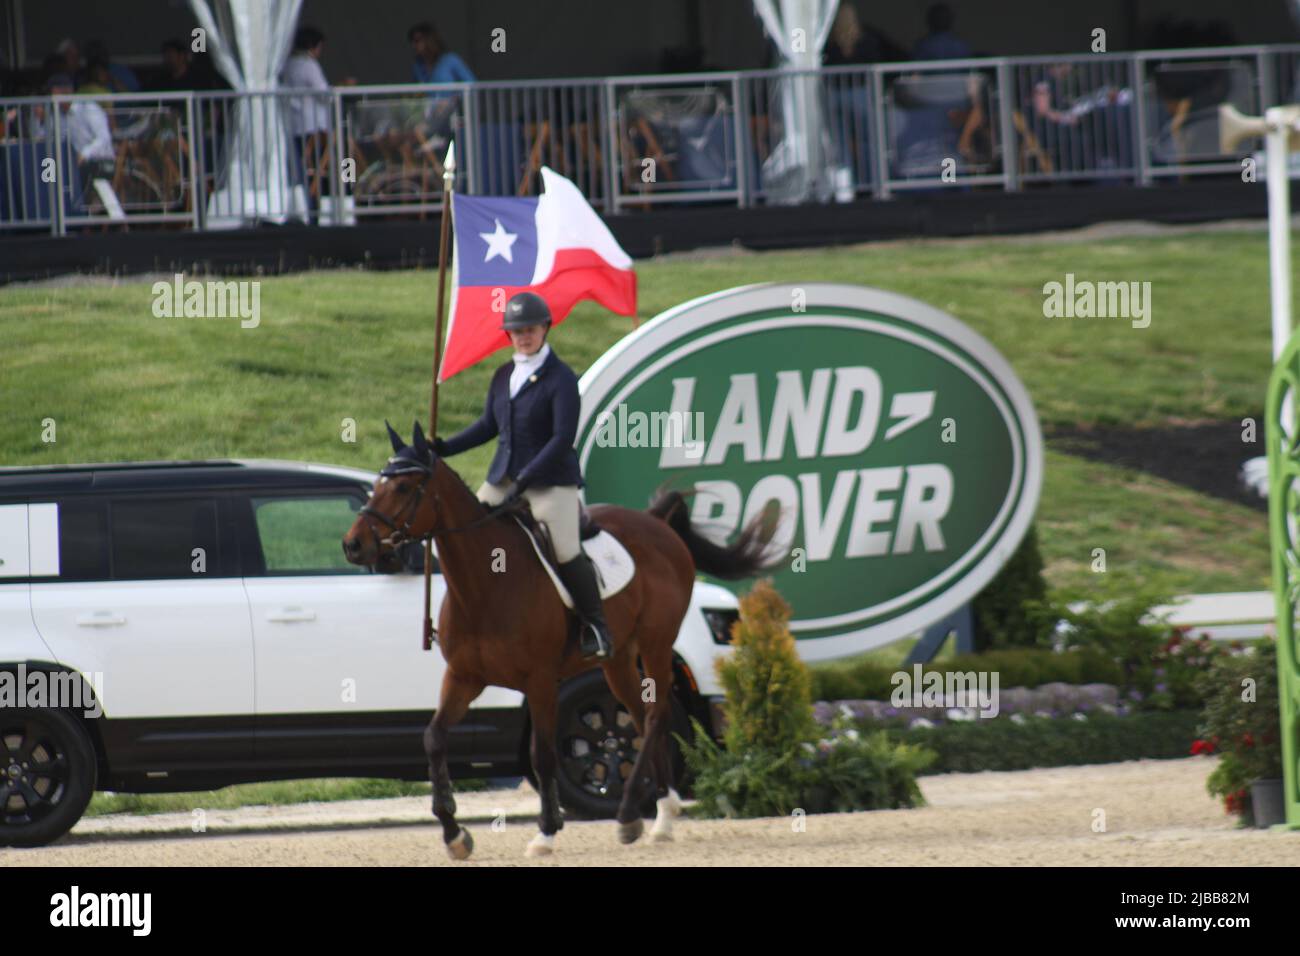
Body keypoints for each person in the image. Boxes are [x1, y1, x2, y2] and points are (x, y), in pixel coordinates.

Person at [433, 292, 614, 660]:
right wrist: (444, 448)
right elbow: (487, 426)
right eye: (516, 331)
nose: (524, 336)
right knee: (468, 532)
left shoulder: (561, 378)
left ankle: (596, 626)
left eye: (530, 329)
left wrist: (528, 477)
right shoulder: (503, 376)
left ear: (545, 329)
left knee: (565, 549)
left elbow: (563, 437)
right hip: (504, 478)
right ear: (509, 335)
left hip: (551, 482)